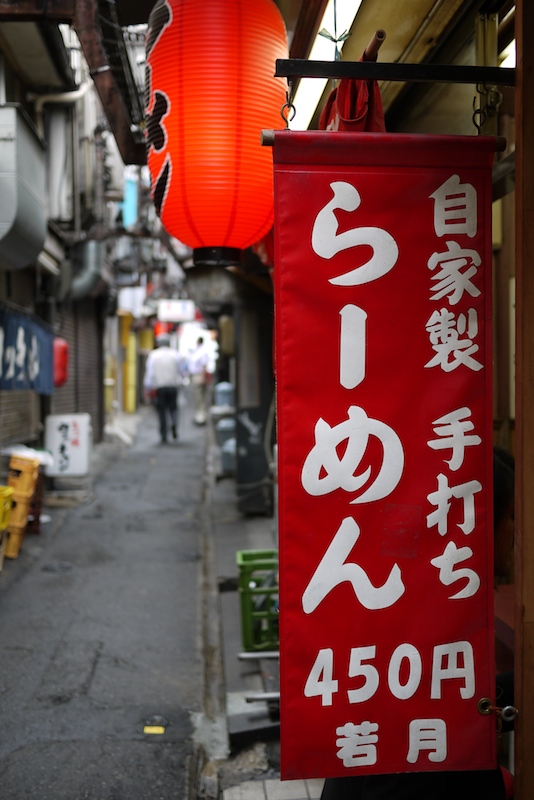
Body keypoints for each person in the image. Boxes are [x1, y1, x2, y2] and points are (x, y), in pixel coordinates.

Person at [320, 448, 516, 800]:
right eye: (514, 515)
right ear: (479, 524)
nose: (518, 531)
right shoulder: (433, 623)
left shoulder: (415, 603)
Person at [143, 333, 185, 443]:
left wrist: (148, 387)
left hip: (160, 386)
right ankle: (174, 424)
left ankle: (164, 434)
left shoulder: (153, 355)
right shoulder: (175, 354)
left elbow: (150, 373)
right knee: (173, 408)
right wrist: (180, 381)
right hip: (173, 385)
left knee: (161, 410)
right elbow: (181, 371)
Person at [187, 336, 211, 425]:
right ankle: (200, 415)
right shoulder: (196, 351)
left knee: (200, 397)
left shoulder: (201, 352)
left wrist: (202, 377)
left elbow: (204, 365)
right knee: (197, 397)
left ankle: (201, 417)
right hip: (195, 376)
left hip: (198, 376)